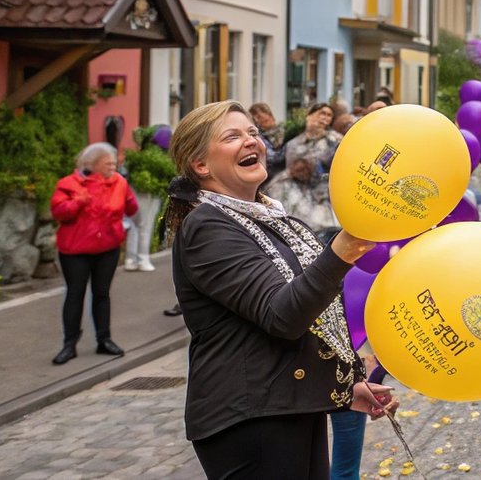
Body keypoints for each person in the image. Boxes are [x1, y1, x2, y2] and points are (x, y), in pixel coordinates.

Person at [165, 100, 393, 479]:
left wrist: (343, 384)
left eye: (253, 132)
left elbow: (310, 316)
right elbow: (282, 314)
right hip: (250, 416)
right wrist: (342, 250)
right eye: (232, 136)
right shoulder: (207, 226)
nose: (251, 141)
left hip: (289, 405)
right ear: (201, 165)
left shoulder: (270, 215)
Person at [49, 142, 139, 364]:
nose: (113, 167)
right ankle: (69, 345)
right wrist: (78, 201)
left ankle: (104, 340)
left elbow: (132, 208)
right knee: (75, 294)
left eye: (114, 163)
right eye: (108, 163)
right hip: (75, 250)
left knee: (102, 294)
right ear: (93, 164)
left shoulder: (119, 183)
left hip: (107, 248)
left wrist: (129, 201)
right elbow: (59, 212)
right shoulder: (69, 184)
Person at [285, 101, 342, 176]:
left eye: (329, 115)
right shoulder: (294, 142)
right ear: (309, 116)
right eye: (322, 113)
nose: (326, 118)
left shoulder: (336, 138)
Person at [249, 103, 286, 175]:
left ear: (269, 114)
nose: (257, 121)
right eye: (255, 119)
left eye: (259, 117)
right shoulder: (259, 136)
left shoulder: (284, 129)